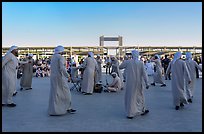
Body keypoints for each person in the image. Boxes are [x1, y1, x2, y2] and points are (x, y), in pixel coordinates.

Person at [119, 50, 149, 119]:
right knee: (139, 96)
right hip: (138, 83)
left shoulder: (128, 62)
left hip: (130, 83)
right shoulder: (141, 63)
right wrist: (147, 83)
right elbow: (144, 74)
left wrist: (125, 61)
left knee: (131, 97)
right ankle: (141, 110)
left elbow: (120, 67)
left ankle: (130, 113)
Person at [48, 45, 76, 116]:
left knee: (55, 93)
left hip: (53, 77)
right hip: (60, 77)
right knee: (67, 93)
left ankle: (54, 110)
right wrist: (68, 76)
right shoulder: (61, 57)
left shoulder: (53, 57)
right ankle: (67, 107)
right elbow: (62, 68)